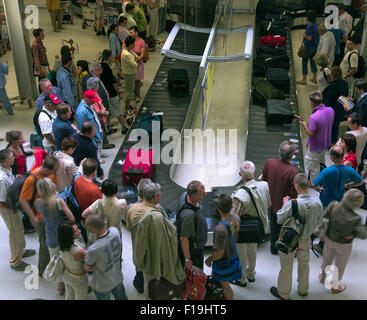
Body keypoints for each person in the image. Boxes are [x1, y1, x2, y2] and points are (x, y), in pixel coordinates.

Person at [270, 173, 323, 300]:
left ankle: (283, 293)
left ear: (297, 187)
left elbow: (279, 218)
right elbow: (319, 222)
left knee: (286, 267)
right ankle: (303, 290)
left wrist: (284, 204)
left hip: (289, 240)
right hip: (306, 240)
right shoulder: (318, 202)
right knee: (304, 264)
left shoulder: (292, 203)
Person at [131, 182, 185, 299]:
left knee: (148, 285)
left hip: (144, 259)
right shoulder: (157, 216)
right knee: (157, 287)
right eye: (160, 195)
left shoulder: (132, 209)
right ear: (155, 197)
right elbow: (167, 237)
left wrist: (138, 262)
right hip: (157, 258)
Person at [230, 161, 270, 287]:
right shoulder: (264, 185)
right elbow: (269, 204)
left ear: (240, 174)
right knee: (252, 250)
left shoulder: (240, 195)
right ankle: (251, 274)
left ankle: (241, 279)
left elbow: (234, 217)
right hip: (257, 226)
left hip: (243, 228)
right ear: (255, 172)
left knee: (241, 253)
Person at [319, 188, 367, 293]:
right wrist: (353, 235)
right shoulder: (356, 218)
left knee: (327, 258)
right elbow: (363, 235)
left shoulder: (333, 205)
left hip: (330, 239)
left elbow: (324, 217)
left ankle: (323, 277)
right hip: (344, 245)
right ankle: (335, 286)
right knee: (340, 264)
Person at [18, 155, 59, 275]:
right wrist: (32, 217)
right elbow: (23, 200)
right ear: (47, 169)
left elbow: (57, 187)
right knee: (45, 244)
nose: (55, 173)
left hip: (50, 213)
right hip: (40, 217)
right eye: (54, 170)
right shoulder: (32, 179)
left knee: (51, 242)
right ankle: (43, 270)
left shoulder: (50, 174)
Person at [35, 177, 75, 295]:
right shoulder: (59, 201)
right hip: (63, 236)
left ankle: (60, 288)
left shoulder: (38, 203)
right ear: (51, 187)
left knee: (56, 263)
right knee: (68, 263)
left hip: (51, 237)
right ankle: (70, 288)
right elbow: (71, 218)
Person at [0, 149, 35, 271]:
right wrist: (11, 210)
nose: (14, 158)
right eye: (12, 157)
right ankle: (15, 262)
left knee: (19, 230)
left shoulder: (7, 169)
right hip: (9, 209)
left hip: (13, 206)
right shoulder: (1, 179)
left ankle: (21, 250)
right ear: (7, 161)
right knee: (15, 235)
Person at [262, 141, 298, 255]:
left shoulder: (269, 163)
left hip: (271, 203)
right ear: (292, 155)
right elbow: (294, 194)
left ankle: (273, 248)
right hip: (284, 206)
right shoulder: (293, 171)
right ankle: (283, 245)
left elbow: (263, 181)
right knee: (285, 226)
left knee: (273, 225)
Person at [84, 214, 128, 300]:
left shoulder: (93, 249)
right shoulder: (114, 231)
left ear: (93, 228)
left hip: (102, 284)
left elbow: (87, 268)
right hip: (117, 277)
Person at [205, 194, 240, 300]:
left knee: (225, 284)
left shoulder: (220, 229)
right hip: (233, 253)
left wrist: (209, 259)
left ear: (218, 208)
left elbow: (219, 253)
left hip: (224, 261)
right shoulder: (236, 217)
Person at [300, 91, 335, 182]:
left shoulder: (314, 117)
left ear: (312, 103)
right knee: (322, 162)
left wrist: (305, 126)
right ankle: (323, 178)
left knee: (313, 167)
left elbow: (311, 133)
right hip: (325, 143)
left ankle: (314, 184)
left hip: (315, 145)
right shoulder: (331, 110)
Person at [176, 180, 207, 270]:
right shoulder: (188, 216)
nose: (204, 194)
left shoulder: (186, 194)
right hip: (193, 251)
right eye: (201, 194)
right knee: (195, 276)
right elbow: (184, 238)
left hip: (198, 247)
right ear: (193, 196)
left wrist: (201, 195)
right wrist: (187, 259)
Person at [100, 49, 128, 134]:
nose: (113, 58)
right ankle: (124, 128)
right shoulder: (108, 68)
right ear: (109, 57)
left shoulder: (99, 66)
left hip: (104, 94)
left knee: (107, 111)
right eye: (112, 56)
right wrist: (119, 92)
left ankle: (108, 128)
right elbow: (113, 83)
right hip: (111, 93)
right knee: (118, 111)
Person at [58, 223, 88, 300]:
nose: (80, 231)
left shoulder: (62, 245)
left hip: (66, 275)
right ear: (71, 235)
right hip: (78, 279)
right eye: (76, 230)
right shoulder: (79, 251)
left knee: (68, 297)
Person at [323, 66, 349, 145]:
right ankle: (334, 143)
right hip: (340, 110)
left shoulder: (333, 86)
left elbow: (327, 100)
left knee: (329, 129)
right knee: (336, 127)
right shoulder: (344, 83)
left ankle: (328, 145)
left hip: (331, 111)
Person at [297, 10, 319, 85]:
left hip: (309, 47)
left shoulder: (310, 26)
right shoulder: (317, 25)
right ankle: (314, 78)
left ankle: (304, 79)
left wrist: (304, 34)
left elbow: (309, 38)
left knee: (304, 62)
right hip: (315, 46)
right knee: (313, 61)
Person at [121, 36, 138, 113]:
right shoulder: (126, 54)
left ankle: (127, 105)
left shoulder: (129, 50)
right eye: (134, 43)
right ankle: (126, 107)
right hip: (129, 74)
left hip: (130, 73)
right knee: (129, 91)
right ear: (130, 44)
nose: (135, 45)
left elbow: (136, 56)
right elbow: (135, 64)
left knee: (130, 90)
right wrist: (135, 60)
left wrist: (135, 58)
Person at [129, 26, 146, 102]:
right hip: (130, 63)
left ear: (136, 33)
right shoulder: (128, 40)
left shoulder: (141, 42)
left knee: (137, 80)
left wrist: (138, 59)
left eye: (131, 32)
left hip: (138, 64)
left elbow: (142, 54)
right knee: (131, 80)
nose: (130, 34)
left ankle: (137, 94)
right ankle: (132, 93)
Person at [31, 28, 50, 93]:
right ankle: (42, 97)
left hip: (44, 65)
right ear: (37, 36)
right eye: (42, 34)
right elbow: (36, 59)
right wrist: (40, 70)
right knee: (42, 82)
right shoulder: (35, 45)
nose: (44, 35)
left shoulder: (40, 41)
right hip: (41, 67)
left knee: (45, 81)